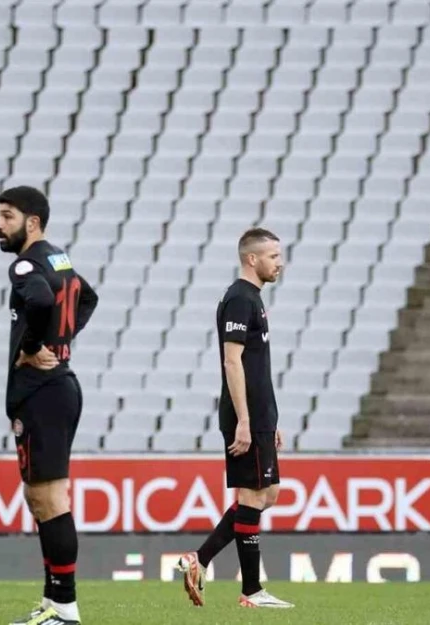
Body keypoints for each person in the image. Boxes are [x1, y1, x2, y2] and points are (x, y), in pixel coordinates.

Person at [0, 186, 98, 625]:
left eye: (7, 216)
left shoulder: (26, 263)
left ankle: (65, 609)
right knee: (42, 499)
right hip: (58, 387)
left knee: (49, 498)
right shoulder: (60, 258)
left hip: (43, 390)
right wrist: (61, 340)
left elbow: (37, 299)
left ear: (31, 221)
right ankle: (53, 603)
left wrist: (35, 345)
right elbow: (88, 297)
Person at [177, 228, 294, 609]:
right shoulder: (239, 300)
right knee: (252, 496)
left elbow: (257, 368)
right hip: (247, 415)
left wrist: (269, 420)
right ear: (252, 259)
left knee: (267, 495)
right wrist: (245, 420)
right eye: (273, 256)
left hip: (261, 414)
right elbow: (232, 360)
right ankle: (251, 591)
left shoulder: (253, 299)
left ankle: (200, 560)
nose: (280, 262)